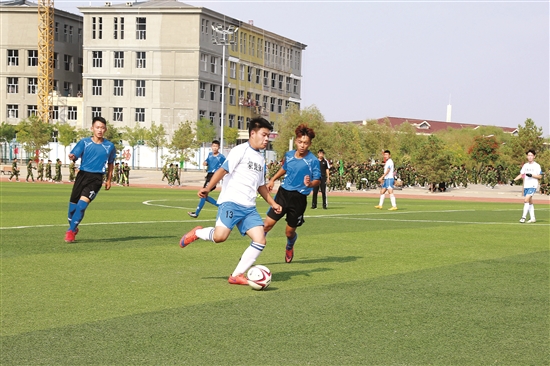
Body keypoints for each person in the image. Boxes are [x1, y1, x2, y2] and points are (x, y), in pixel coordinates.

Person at [179, 117, 282, 285]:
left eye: (268, 136)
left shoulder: (261, 159)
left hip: (249, 208)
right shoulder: (240, 150)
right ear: (252, 133)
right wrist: (208, 187)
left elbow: (261, 185)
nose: (266, 139)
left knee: (260, 239)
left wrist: (273, 203)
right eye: (264, 135)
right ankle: (197, 232)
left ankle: (237, 275)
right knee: (220, 237)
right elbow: (223, 170)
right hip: (231, 203)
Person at [264, 124, 321, 263]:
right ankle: (254, 248)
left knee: (289, 232)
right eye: (300, 142)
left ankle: (290, 245)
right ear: (296, 141)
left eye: (305, 143)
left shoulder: (313, 160)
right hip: (283, 194)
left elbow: (318, 180)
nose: (302, 145)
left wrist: (310, 184)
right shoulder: (289, 155)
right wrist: (272, 180)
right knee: (266, 225)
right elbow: (284, 168)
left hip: (299, 199)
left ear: (310, 144)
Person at [64, 116, 116, 243]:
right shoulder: (84, 142)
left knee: (81, 207)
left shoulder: (109, 146)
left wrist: (109, 180)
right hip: (82, 176)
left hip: (96, 179)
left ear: (106, 130)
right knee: (72, 210)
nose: (100, 130)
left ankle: (70, 232)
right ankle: (74, 227)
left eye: (102, 128)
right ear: (92, 128)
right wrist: (72, 156)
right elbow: (75, 153)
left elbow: (110, 163)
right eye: (97, 127)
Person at [188, 140, 226, 218]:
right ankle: (220, 206)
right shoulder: (210, 155)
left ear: (218, 147)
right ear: (211, 147)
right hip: (209, 175)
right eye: (213, 146)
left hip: (214, 176)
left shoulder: (221, 157)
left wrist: (222, 176)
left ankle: (197, 213)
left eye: (216, 146)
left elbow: (225, 167)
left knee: (203, 194)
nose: (214, 148)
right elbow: (207, 162)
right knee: (204, 195)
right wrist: (205, 162)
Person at [512, 149, 543, 223]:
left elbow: (540, 176)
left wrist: (532, 175)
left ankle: (523, 217)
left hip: (533, 185)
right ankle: (533, 218)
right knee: (530, 201)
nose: (530, 157)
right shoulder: (525, 165)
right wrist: (514, 180)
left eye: (531, 155)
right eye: (528, 155)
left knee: (526, 200)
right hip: (526, 185)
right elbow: (522, 174)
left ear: (534, 156)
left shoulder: (537, 166)